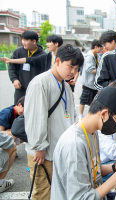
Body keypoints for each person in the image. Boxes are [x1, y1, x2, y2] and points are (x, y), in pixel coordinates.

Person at [51, 86, 116, 200]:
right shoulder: (74, 145)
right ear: (104, 114)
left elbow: (92, 169)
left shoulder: (91, 131)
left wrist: (115, 166)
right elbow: (82, 197)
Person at [24, 44, 84, 200]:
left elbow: (70, 116)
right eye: (71, 66)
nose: (73, 72)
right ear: (58, 61)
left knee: (56, 193)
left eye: (77, 69)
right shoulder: (41, 83)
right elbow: (36, 118)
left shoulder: (65, 85)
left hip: (58, 150)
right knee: (43, 193)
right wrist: (39, 146)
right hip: (44, 152)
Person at [8, 30, 46, 105]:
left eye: (26, 40)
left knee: (34, 110)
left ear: (34, 41)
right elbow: (11, 66)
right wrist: (14, 79)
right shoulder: (18, 52)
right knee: (19, 110)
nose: (23, 42)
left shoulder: (43, 55)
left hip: (36, 89)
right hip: (20, 88)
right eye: (22, 39)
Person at [79, 39, 102, 120]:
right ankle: (80, 115)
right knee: (83, 99)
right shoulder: (89, 56)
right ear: (96, 46)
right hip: (88, 82)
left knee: (93, 101)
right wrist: (101, 71)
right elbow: (90, 69)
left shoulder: (97, 56)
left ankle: (91, 116)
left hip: (93, 83)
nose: (101, 49)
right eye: (100, 47)